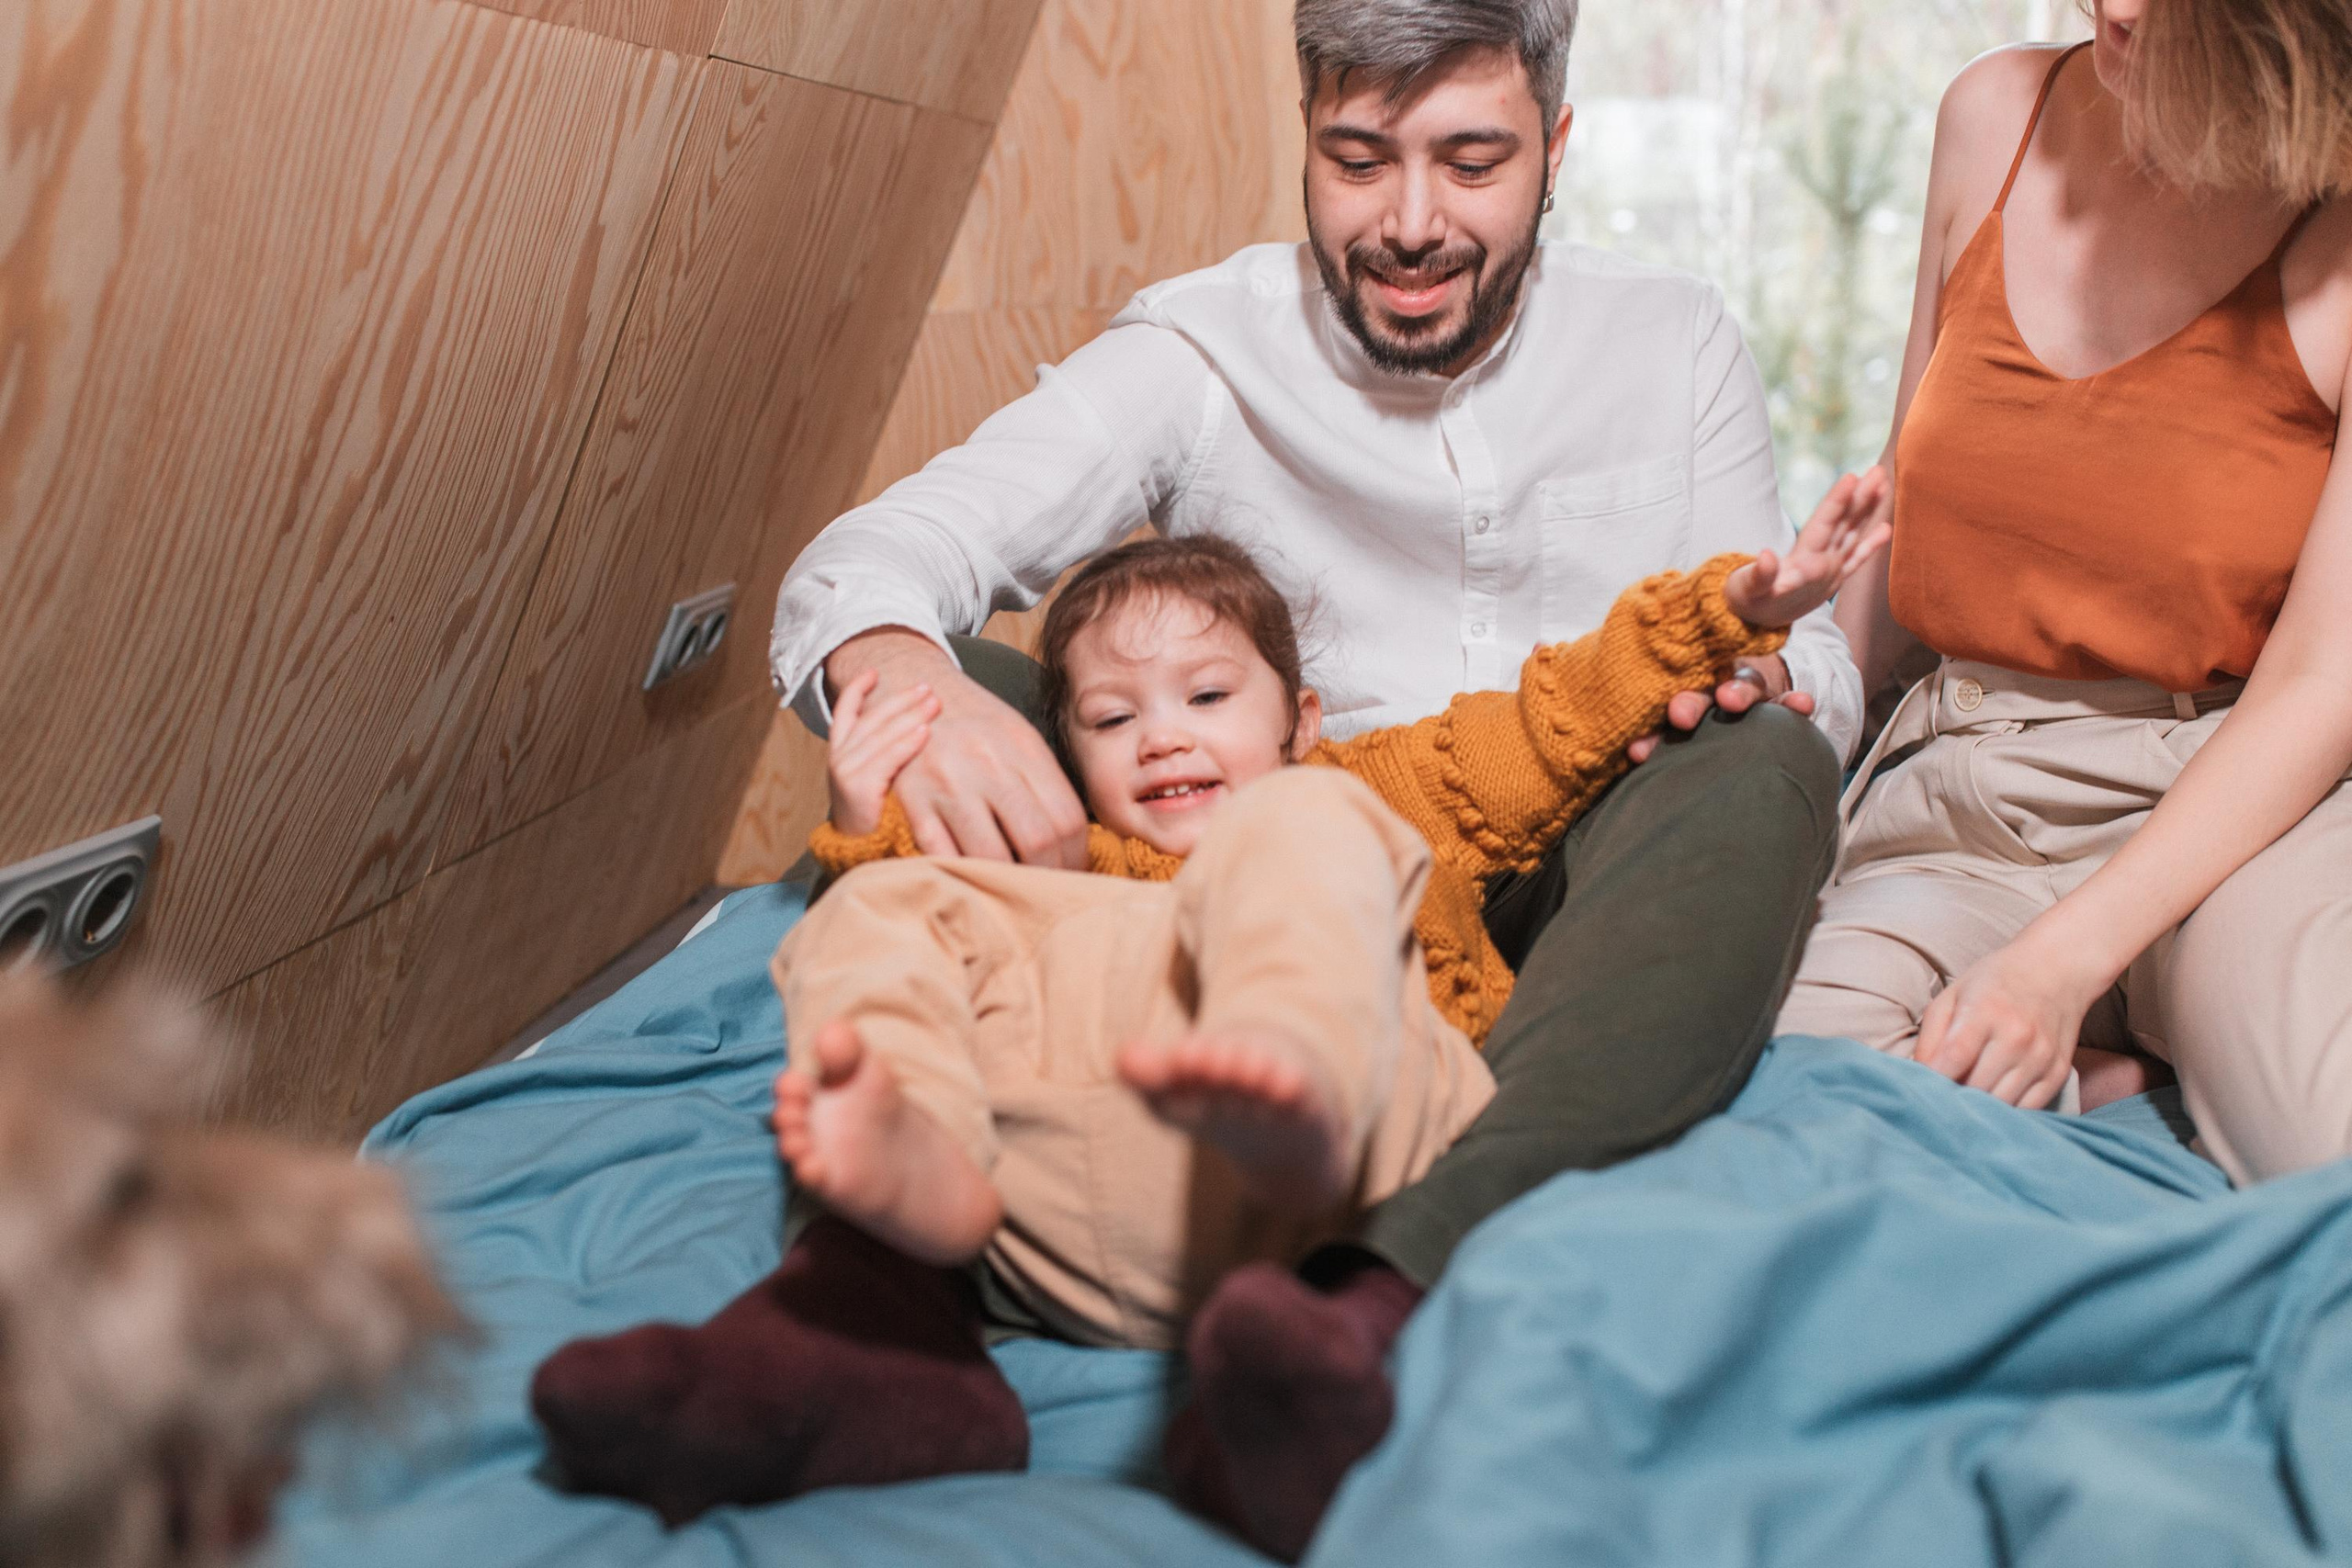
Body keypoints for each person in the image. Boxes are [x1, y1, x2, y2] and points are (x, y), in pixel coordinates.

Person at [748, 0, 1863, 1549]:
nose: (1410, 224)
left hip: (1591, 851)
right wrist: (920, 687)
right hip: (1257, 857)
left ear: (1558, 145)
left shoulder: (1674, 335)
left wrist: (1760, 670)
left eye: (1472, 162)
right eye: (1359, 160)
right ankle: (875, 1298)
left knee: (1765, 749)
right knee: (975, 683)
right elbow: (871, 559)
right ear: (1308, 142)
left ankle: (1380, 1281)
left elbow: (1811, 649)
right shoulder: (1194, 349)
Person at [534, 488, 1885, 1540]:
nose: (1165, 736)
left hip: (1358, 1150)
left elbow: (1557, 716)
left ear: (1299, 712)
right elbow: (923, 920)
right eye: (1113, 718)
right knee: (896, 910)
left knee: (1301, 833)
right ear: (1066, 754)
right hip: (1065, 1206)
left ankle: (1285, 1073)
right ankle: (903, 1229)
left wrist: (1735, 606)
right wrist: (866, 832)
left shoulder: (1357, 783)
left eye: (1207, 697)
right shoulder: (1060, 857)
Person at [1780, 0, 2352, 1178]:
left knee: (2326, 1147)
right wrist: (1805, 713)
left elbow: (2319, 686)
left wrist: (2058, 963)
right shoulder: (1993, 114)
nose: (2116, 6)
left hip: (2239, 802)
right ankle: (2132, 1083)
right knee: (1805, 1103)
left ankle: (2154, 1044)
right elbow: (1905, 518)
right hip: (1969, 781)